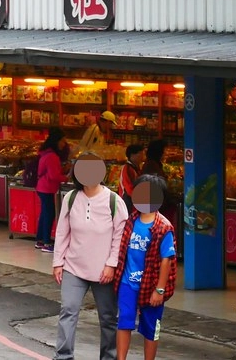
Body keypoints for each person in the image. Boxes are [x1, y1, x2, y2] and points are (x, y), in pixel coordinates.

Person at [52, 153, 128, 360]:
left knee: (108, 318)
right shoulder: (71, 198)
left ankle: (108, 357)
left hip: (103, 270)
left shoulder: (114, 201)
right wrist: (58, 262)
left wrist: (111, 264)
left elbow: (120, 237)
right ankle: (63, 356)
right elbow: (62, 231)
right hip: (73, 267)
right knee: (68, 310)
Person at [114, 174, 177, 360]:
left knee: (151, 327)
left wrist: (160, 289)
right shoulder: (130, 221)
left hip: (151, 286)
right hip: (127, 283)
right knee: (124, 322)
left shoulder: (164, 227)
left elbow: (167, 260)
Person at [35, 128, 68, 253]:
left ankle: (40, 240)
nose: (64, 144)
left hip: (42, 187)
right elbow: (54, 176)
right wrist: (66, 178)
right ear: (56, 141)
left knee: (44, 214)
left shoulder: (46, 153)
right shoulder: (52, 156)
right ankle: (47, 243)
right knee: (49, 214)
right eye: (62, 141)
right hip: (47, 188)